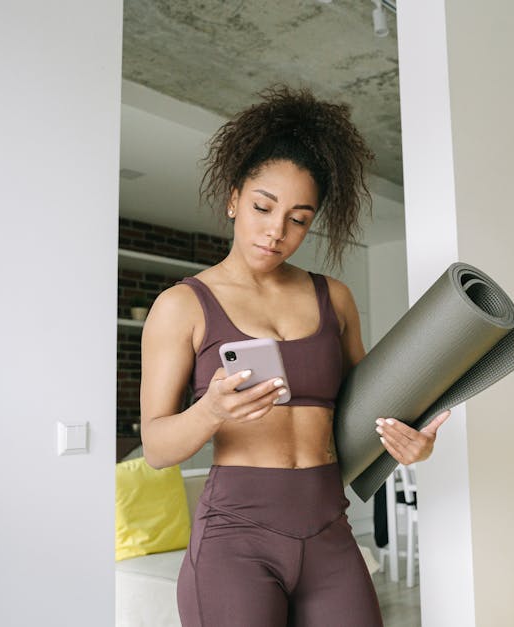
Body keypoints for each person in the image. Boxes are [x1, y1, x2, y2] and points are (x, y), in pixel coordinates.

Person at [139, 86, 451, 627]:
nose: (276, 231)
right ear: (234, 199)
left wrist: (410, 445)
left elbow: (366, 414)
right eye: (262, 207)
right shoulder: (182, 306)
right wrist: (211, 410)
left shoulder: (335, 299)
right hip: (235, 541)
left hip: (329, 530)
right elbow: (156, 449)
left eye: (299, 219)